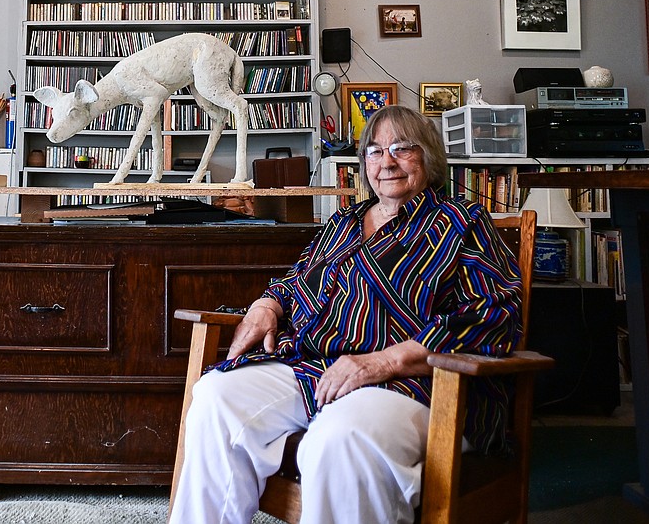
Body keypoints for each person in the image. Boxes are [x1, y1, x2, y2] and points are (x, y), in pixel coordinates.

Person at [170, 105, 523, 524]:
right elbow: (299, 279)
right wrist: (268, 304)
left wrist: (382, 362)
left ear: (428, 157)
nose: (386, 161)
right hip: (317, 367)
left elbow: (494, 317)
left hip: (417, 385)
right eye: (374, 151)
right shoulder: (345, 221)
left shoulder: (462, 222)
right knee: (217, 397)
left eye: (401, 148)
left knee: (338, 438)